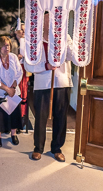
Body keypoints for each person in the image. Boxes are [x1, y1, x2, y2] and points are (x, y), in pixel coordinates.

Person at [24, 13, 73, 162]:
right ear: (42, 23)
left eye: (53, 20)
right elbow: (28, 64)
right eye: (47, 21)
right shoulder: (35, 41)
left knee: (60, 117)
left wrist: (62, 42)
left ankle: (57, 148)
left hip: (62, 83)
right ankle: (38, 148)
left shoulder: (65, 37)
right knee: (40, 117)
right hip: (43, 85)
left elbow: (72, 56)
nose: (51, 23)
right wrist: (46, 65)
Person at [0, 36, 23, 147]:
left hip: (13, 91)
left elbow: (19, 72)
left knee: (14, 114)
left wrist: (13, 86)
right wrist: (7, 89)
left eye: (7, 45)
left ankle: (13, 134)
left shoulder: (13, 57)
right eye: (3, 45)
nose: (6, 47)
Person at [11, 23, 30, 126]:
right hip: (15, 71)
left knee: (24, 92)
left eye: (24, 30)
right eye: (20, 30)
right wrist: (15, 58)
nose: (22, 32)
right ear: (15, 31)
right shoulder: (11, 43)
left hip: (25, 69)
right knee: (15, 92)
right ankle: (14, 115)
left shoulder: (28, 42)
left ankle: (23, 116)